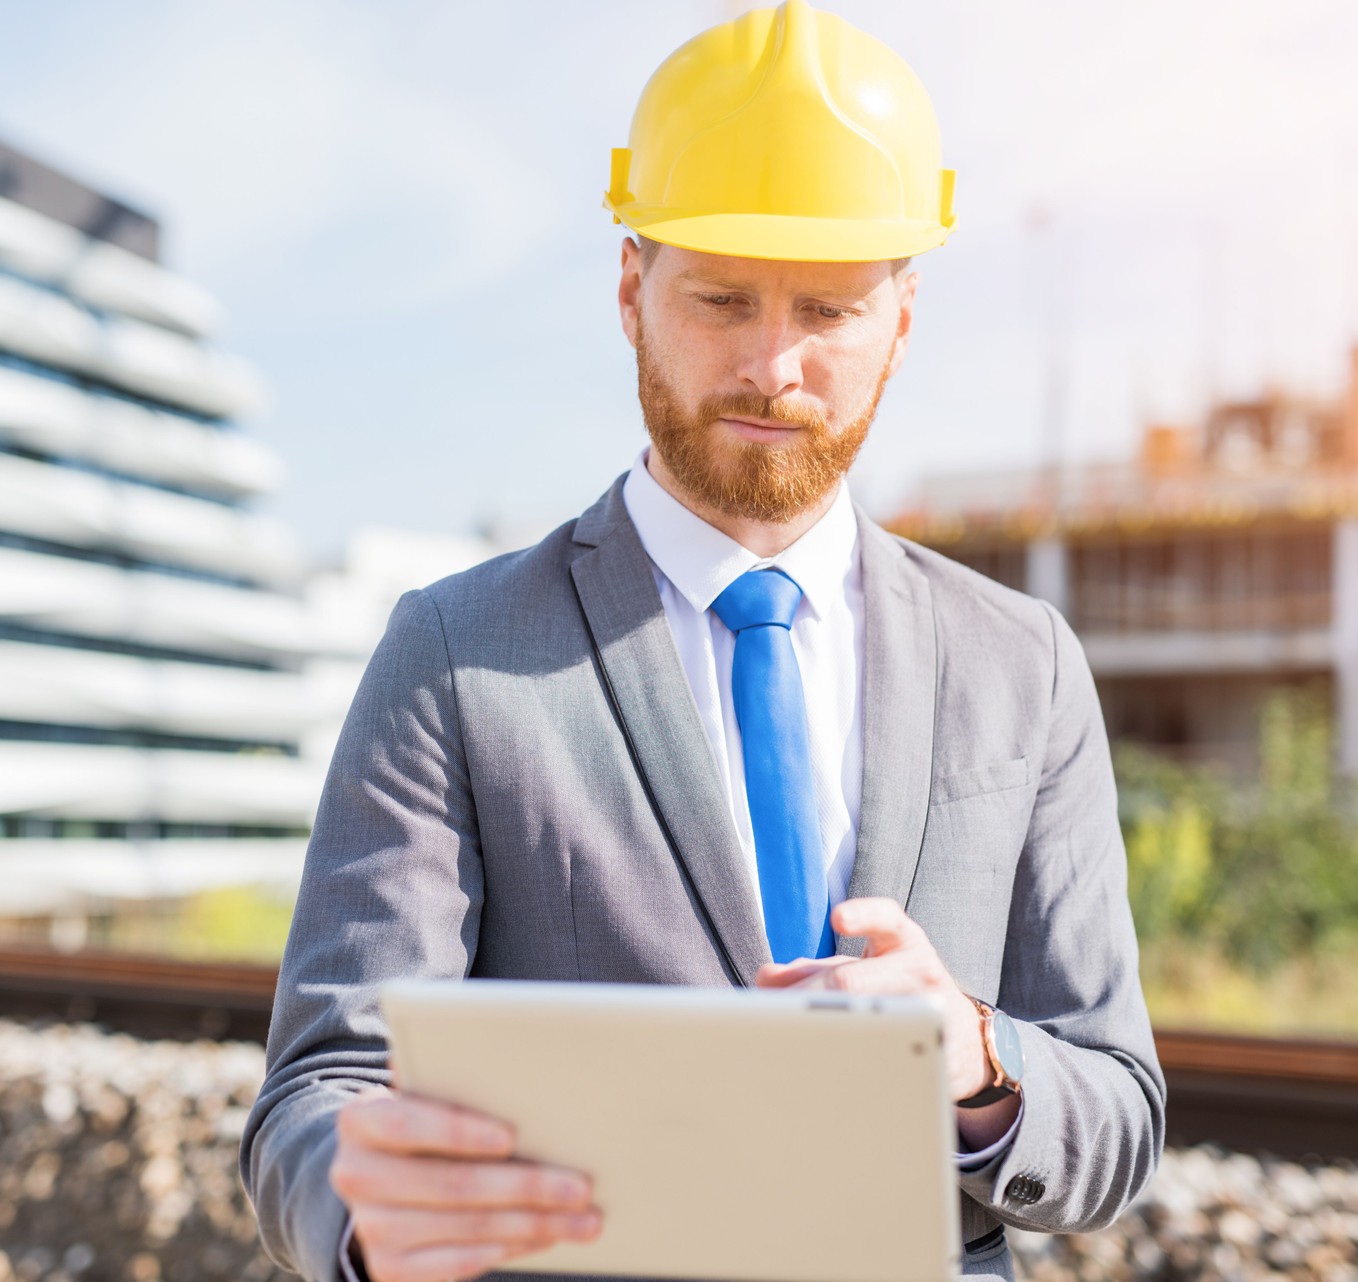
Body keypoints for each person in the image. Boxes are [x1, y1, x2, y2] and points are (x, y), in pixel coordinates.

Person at [239, 3, 1165, 1280]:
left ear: (903, 316)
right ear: (633, 290)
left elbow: (1120, 1106)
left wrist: (978, 1055)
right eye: (722, 298)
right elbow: (322, 1086)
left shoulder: (1025, 663)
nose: (773, 365)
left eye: (829, 309)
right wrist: (362, 1213)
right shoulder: (454, 654)